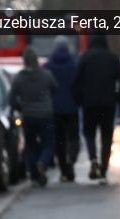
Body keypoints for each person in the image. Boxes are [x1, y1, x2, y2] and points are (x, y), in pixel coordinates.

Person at [73, 33, 120, 184]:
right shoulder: (113, 58)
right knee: (107, 136)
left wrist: (79, 99)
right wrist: (118, 97)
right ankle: (103, 170)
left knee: (89, 133)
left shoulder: (84, 57)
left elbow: (76, 81)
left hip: (89, 103)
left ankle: (93, 159)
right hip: (108, 104)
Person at [10, 47, 57, 187]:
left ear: (24, 61)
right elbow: (55, 89)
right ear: (36, 60)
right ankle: (43, 161)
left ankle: (35, 176)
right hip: (45, 115)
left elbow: (12, 98)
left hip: (28, 115)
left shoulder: (19, 78)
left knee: (30, 146)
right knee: (48, 143)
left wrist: (20, 108)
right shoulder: (46, 75)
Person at [45, 36, 81, 183]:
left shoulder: (48, 66)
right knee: (73, 137)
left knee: (59, 140)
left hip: (55, 109)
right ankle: (71, 159)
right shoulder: (75, 65)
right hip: (72, 107)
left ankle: (64, 170)